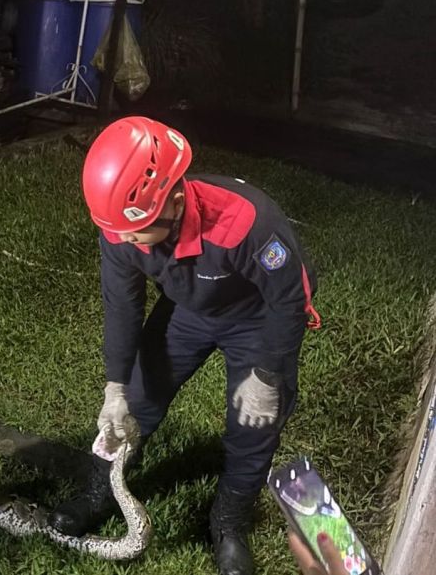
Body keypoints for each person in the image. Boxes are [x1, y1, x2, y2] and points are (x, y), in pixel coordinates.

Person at [48, 117, 321, 575]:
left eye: (136, 233)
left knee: (254, 423)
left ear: (174, 202)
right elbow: (121, 303)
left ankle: (229, 525)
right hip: (185, 313)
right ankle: (98, 492)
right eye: (119, 232)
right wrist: (115, 387)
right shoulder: (121, 227)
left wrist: (268, 374)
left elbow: (290, 299)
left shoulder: (245, 221)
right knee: (137, 399)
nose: (126, 242)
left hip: (254, 319)